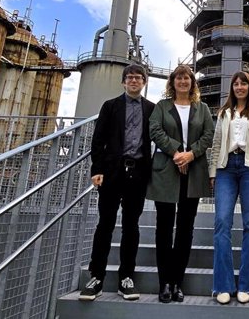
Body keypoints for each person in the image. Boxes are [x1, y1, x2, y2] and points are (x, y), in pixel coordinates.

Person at [79, 64, 155, 302]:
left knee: (131, 227)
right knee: (105, 224)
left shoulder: (151, 109)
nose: (134, 81)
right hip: (112, 172)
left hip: (138, 173)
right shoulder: (110, 106)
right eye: (130, 77)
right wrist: (96, 169)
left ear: (144, 82)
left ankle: (126, 278)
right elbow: (98, 139)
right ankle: (96, 277)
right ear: (123, 82)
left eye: (138, 78)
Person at [147, 64, 214, 303]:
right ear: (172, 82)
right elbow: (154, 130)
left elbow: (208, 134)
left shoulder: (202, 108)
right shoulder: (162, 107)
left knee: (185, 229)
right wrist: (177, 152)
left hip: (193, 171)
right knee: (164, 229)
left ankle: (178, 282)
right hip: (166, 171)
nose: (183, 82)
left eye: (187, 78)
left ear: (192, 83)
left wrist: (190, 154)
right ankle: (164, 282)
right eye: (179, 78)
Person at [209, 71, 249, 305]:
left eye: (243, 83)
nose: (239, 87)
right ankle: (223, 285)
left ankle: (248, 285)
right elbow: (217, 144)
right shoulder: (224, 113)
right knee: (222, 223)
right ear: (232, 88)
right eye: (235, 84)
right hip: (227, 167)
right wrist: (213, 172)